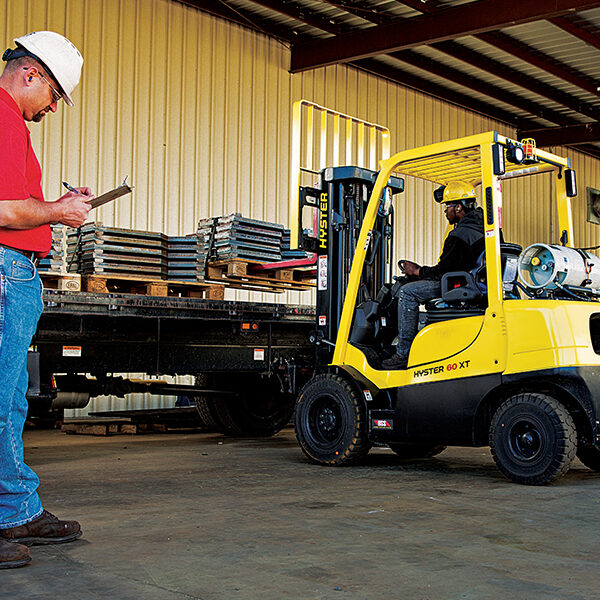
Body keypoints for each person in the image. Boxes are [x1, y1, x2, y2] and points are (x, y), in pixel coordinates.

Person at [0, 31, 94, 569]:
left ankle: (14, 508)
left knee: (10, 400)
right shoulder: (3, 118)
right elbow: (6, 210)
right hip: (5, 269)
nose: (53, 107)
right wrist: (58, 211)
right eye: (55, 95)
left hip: (15, 273)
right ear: (30, 74)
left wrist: (57, 206)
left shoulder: (12, 124)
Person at [382, 181, 485, 370]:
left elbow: (442, 272)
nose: (446, 211)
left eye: (448, 206)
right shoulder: (485, 226)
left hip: (459, 284)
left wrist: (416, 271)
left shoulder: (460, 234)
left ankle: (403, 354)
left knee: (407, 292)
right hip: (475, 282)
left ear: (459, 207)